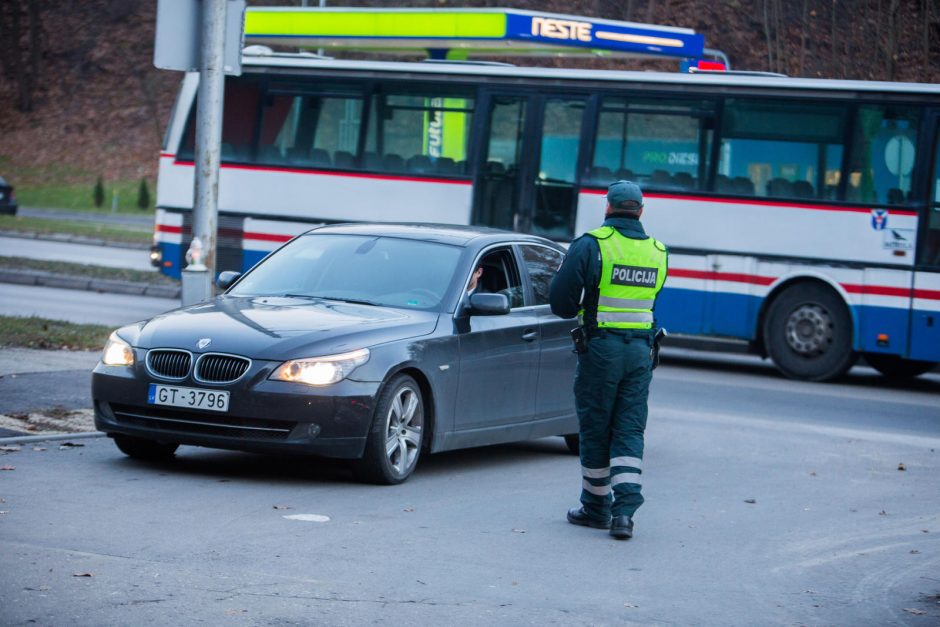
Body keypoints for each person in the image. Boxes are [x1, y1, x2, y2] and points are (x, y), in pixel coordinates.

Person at [549, 180, 668, 540]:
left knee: (597, 425)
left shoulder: (592, 244)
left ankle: (597, 507)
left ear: (608, 208)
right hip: (640, 353)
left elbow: (561, 303)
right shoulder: (658, 251)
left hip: (601, 350)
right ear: (641, 211)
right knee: (630, 427)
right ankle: (625, 512)